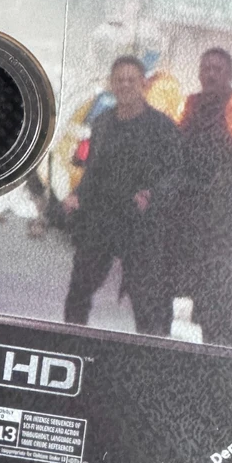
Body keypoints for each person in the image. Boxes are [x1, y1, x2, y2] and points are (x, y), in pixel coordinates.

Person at [63, 56, 181, 336]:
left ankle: (150, 354)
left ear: (143, 84)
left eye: (131, 79)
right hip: (102, 218)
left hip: (140, 223)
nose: (125, 85)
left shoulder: (162, 127)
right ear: (112, 84)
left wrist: (153, 195)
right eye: (119, 80)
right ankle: (71, 343)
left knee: (146, 303)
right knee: (78, 290)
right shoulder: (102, 122)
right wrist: (77, 195)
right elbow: (92, 170)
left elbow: (176, 174)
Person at [176, 47, 232, 347]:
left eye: (217, 69)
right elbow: (179, 146)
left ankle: (224, 349)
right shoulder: (191, 105)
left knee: (223, 290)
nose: (210, 74)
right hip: (194, 211)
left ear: (229, 74)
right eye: (205, 68)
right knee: (198, 284)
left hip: (227, 213)